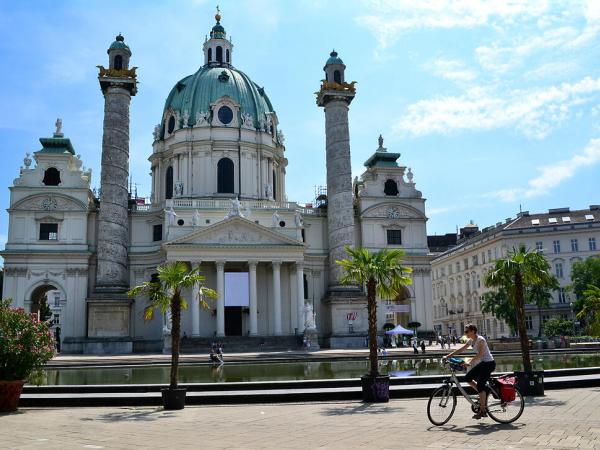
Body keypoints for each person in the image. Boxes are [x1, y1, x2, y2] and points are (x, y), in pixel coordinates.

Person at [444, 323, 496, 420]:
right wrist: (448, 356)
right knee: (467, 378)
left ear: (473, 331)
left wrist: (470, 361)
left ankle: (483, 410)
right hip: (484, 363)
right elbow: (461, 349)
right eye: (465, 331)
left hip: (489, 364)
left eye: (467, 331)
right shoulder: (471, 340)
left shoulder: (480, 340)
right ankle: (482, 394)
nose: (465, 333)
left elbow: (480, 354)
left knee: (480, 385)